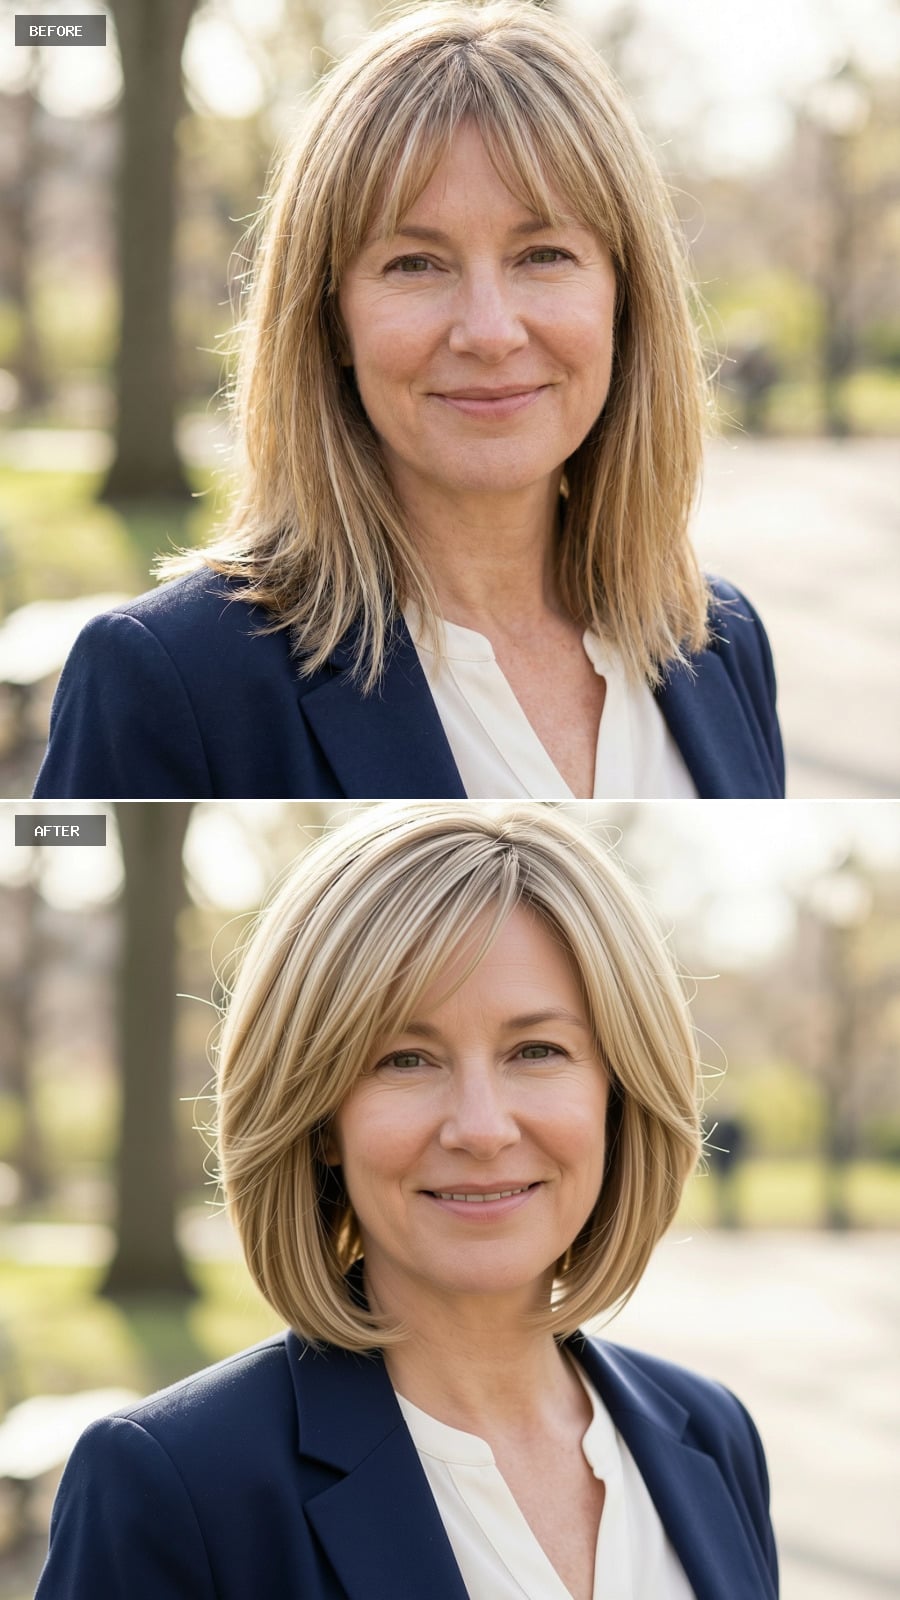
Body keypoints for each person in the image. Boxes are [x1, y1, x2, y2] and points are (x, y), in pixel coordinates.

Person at [34, 2, 783, 802]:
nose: (490, 332)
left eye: (544, 254)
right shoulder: (167, 677)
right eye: (415, 264)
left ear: (624, 299)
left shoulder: (721, 641)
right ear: (331, 319)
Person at [37, 803, 779, 1599]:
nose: (482, 1128)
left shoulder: (711, 1433)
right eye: (405, 1059)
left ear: (619, 1094)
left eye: (537, 1050)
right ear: (319, 1118)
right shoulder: (174, 1485)